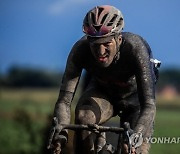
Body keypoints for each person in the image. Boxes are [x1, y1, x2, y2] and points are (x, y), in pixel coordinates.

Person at [47, 5, 161, 154]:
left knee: (133, 149)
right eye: (95, 45)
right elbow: (64, 101)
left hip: (136, 100)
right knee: (84, 117)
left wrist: (136, 136)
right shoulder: (79, 51)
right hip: (103, 94)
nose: (100, 52)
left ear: (119, 39)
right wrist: (61, 133)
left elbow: (149, 106)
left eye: (107, 43)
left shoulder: (135, 49)